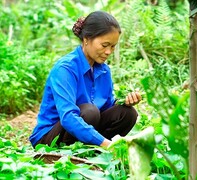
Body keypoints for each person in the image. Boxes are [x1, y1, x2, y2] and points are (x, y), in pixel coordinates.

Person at [29, 11, 142, 148]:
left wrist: (126, 101)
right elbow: (68, 117)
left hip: (85, 126)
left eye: (113, 46)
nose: (108, 52)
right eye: (104, 45)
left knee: (127, 113)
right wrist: (105, 143)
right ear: (86, 39)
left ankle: (93, 150)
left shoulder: (104, 70)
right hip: (49, 137)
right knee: (90, 112)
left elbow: (107, 107)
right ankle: (87, 149)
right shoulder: (65, 69)